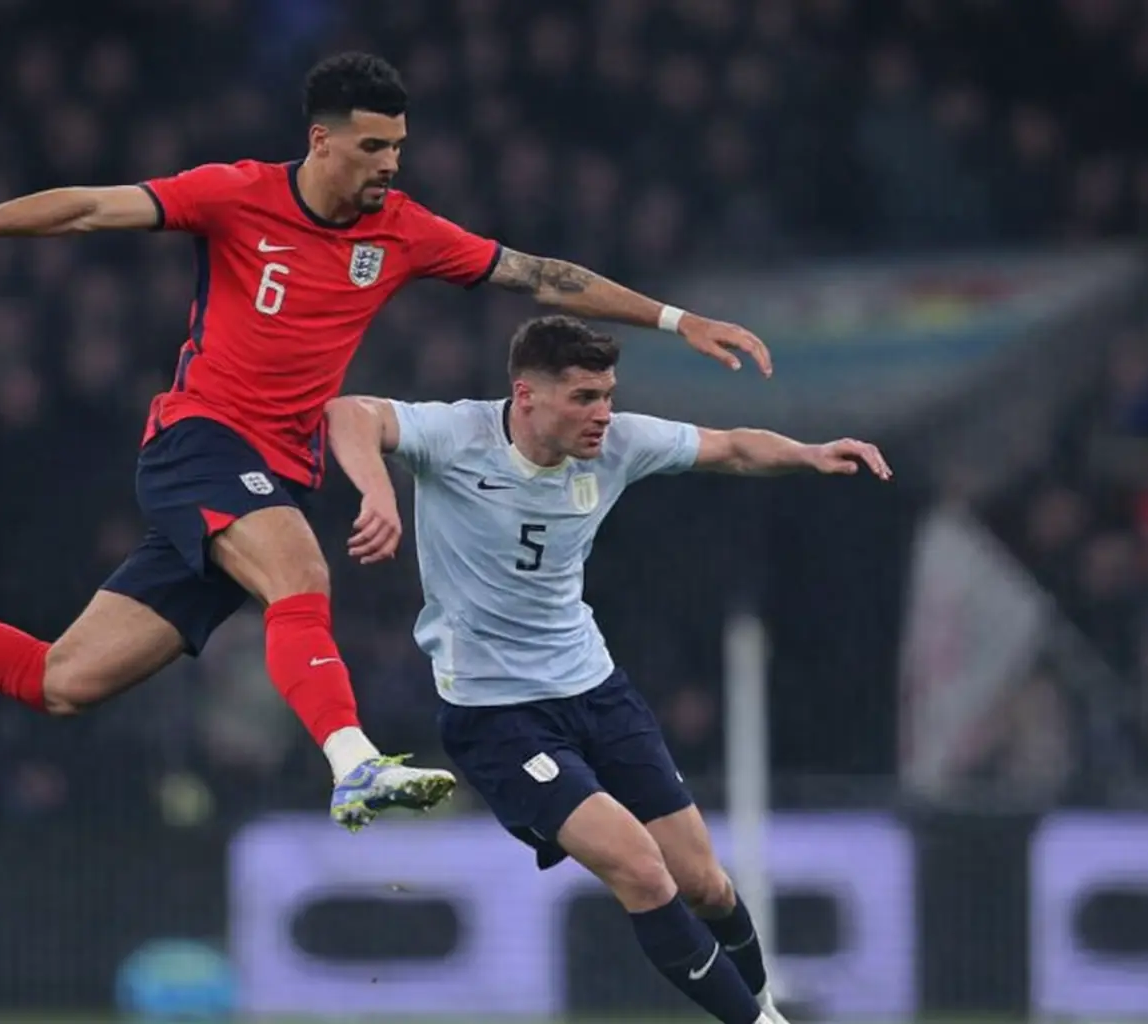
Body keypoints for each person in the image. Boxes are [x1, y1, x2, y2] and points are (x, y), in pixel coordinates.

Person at [0, 53, 772, 831]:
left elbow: (540, 275)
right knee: (300, 573)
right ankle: (353, 761)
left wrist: (679, 322)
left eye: (399, 149)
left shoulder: (402, 229)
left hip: (268, 471)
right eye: (374, 148)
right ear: (323, 142)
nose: (391, 167)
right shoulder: (237, 195)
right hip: (198, 440)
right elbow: (93, 208)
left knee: (66, 679)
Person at [322, 314, 890, 1023]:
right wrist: (378, 492)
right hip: (500, 716)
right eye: (584, 398)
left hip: (597, 693)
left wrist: (808, 453)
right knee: (641, 870)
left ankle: (763, 1005)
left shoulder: (617, 445)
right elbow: (346, 412)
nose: (603, 415)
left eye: (608, 395)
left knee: (705, 885)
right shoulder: (454, 435)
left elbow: (734, 446)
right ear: (527, 396)